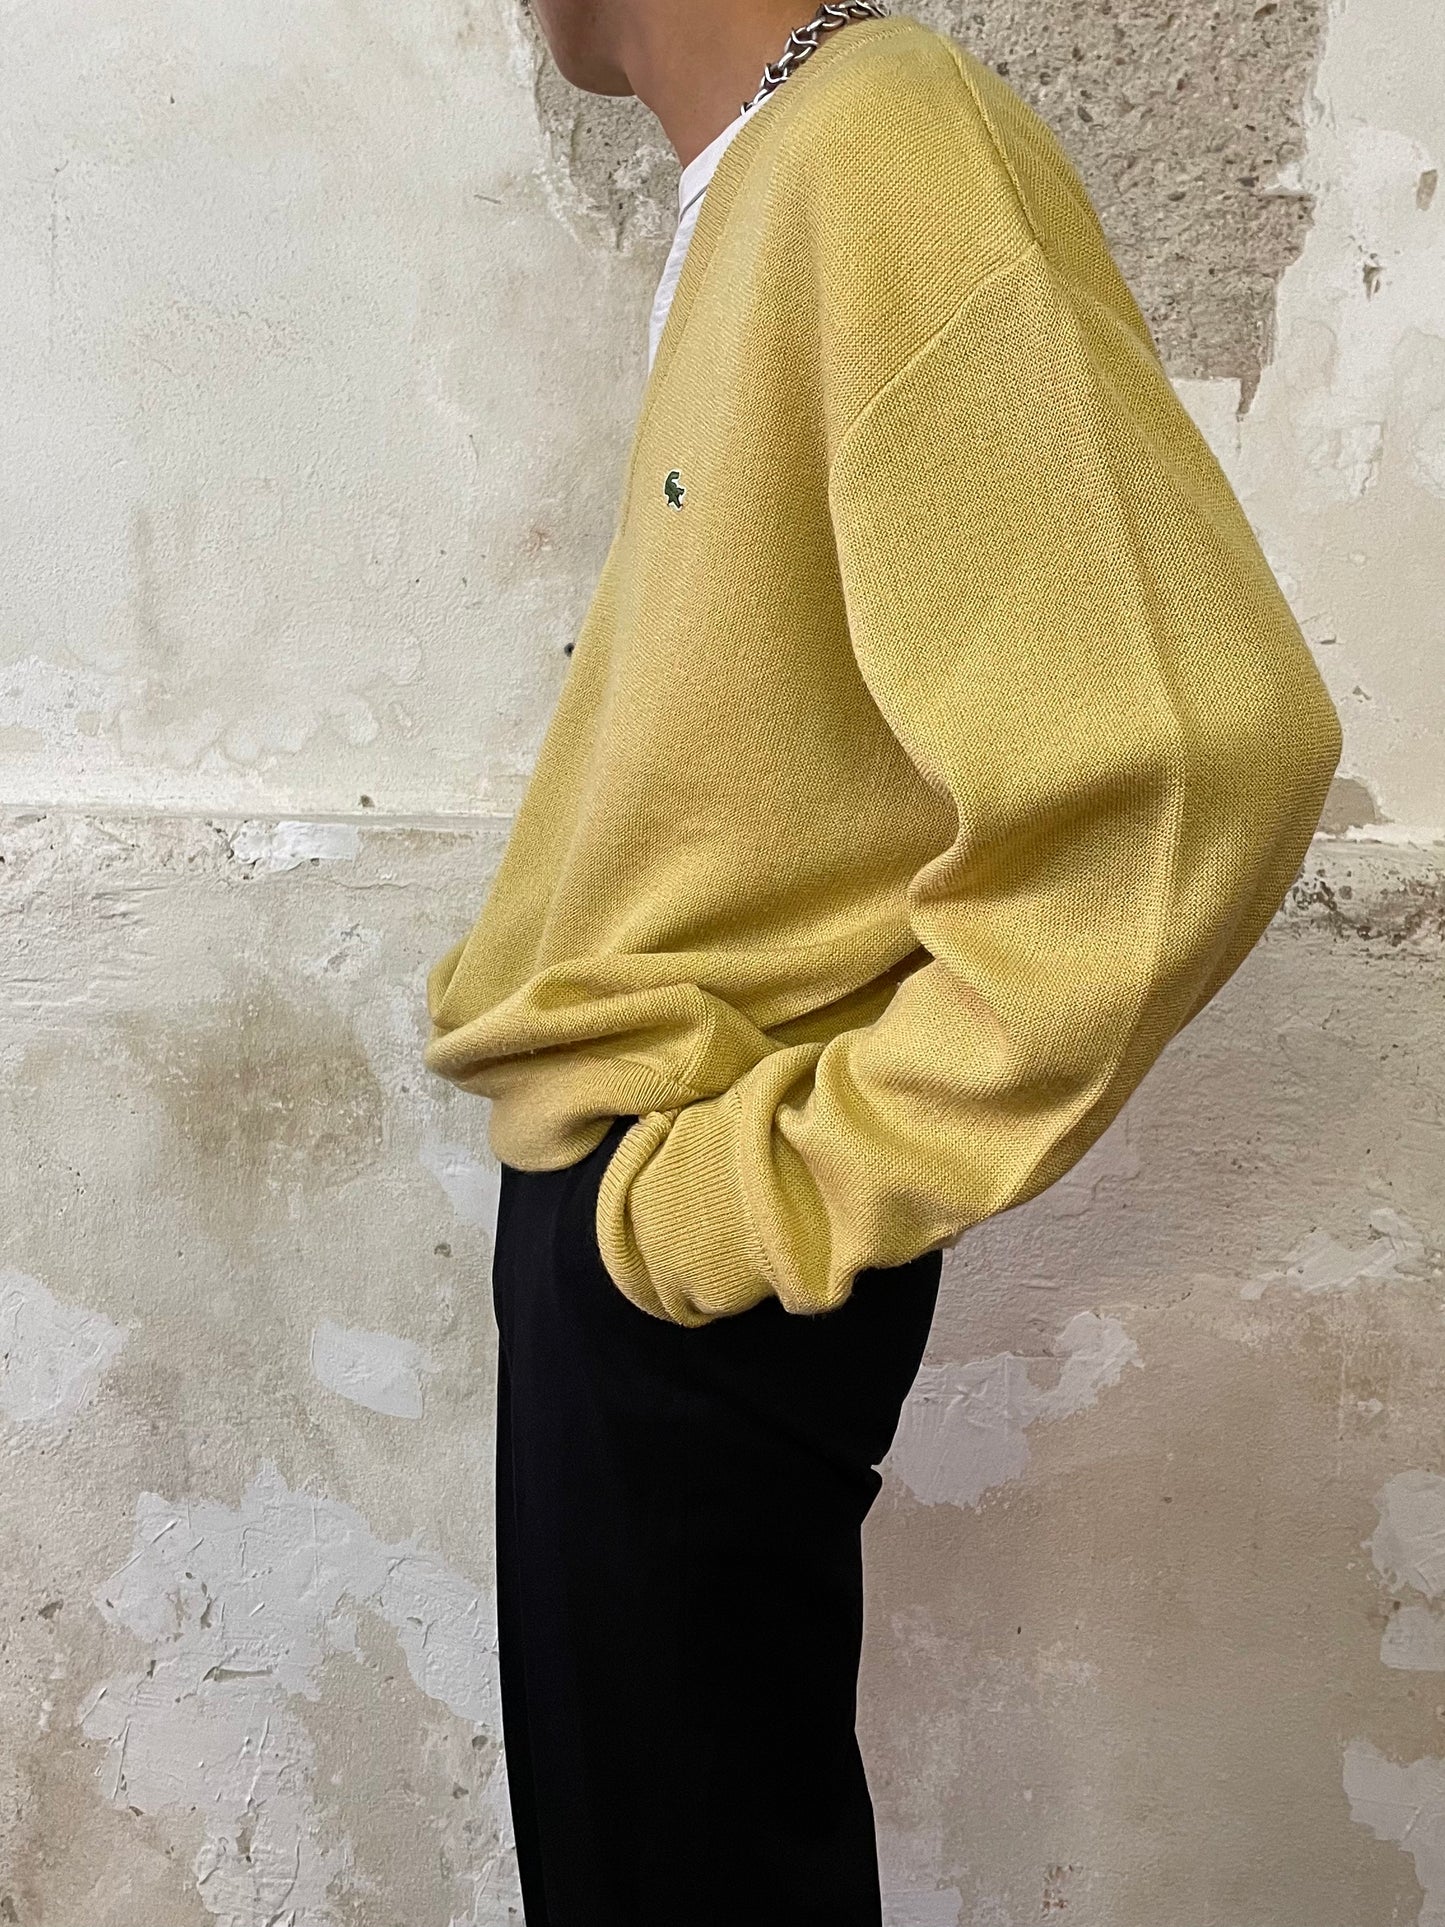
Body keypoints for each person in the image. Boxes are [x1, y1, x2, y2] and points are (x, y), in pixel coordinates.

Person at [423, 1, 1345, 1920]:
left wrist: (763, 1191)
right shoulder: (776, 173)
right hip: (642, 1204)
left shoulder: (883, 139)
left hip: (693, 1219)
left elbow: (1199, 758)